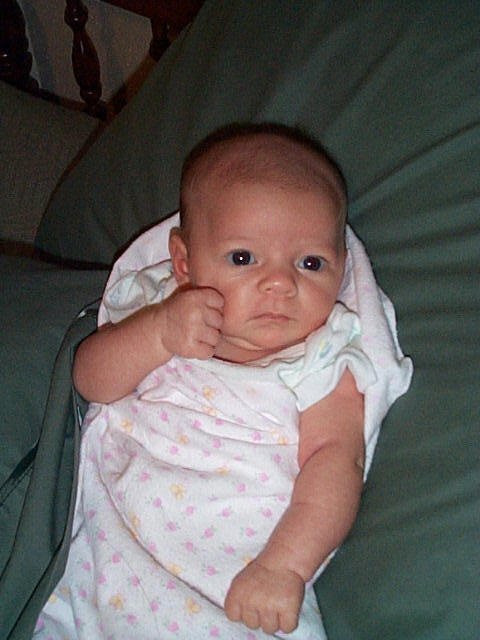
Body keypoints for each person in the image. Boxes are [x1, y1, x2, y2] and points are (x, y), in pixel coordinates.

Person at [35, 124, 412, 639]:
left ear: (342, 270)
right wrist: (158, 334)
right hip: (118, 540)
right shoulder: (159, 306)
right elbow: (91, 380)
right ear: (184, 263)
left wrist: (284, 566)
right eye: (243, 258)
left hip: (236, 563)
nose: (280, 283)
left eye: (310, 263)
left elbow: (336, 462)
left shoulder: (323, 357)